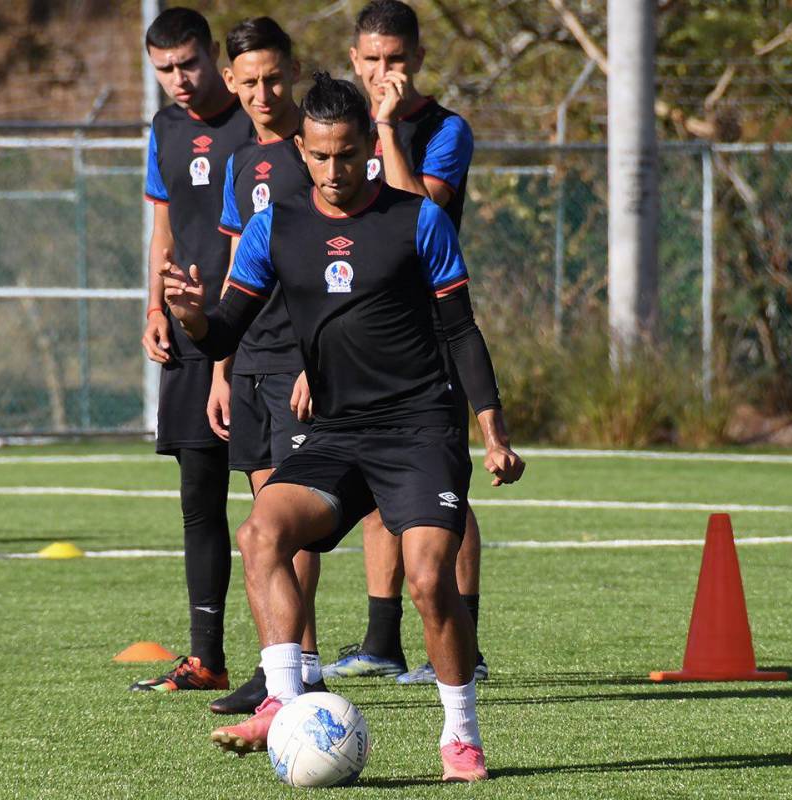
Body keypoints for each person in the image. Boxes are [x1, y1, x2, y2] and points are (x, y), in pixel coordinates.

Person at [164, 73, 524, 783]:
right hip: (336, 433)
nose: (336, 171)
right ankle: (285, 699)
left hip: (420, 428)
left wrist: (492, 429)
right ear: (302, 149)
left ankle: (461, 736)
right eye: (322, 156)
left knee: (427, 580)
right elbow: (225, 331)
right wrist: (193, 318)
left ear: (369, 145)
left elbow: (461, 331)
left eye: (350, 154)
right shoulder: (276, 226)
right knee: (261, 532)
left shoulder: (418, 219)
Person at [322, 0, 488, 685]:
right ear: (354, 60)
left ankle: (465, 647)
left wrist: (387, 128)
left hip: (429, 332)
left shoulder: (444, 129)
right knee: (374, 476)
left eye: (394, 60)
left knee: (441, 488)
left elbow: (419, 209)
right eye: (370, 61)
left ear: (416, 60)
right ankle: (381, 641)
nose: (382, 72)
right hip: (366, 334)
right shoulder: (341, 135)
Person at [205, 16, 328, 716]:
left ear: (295, 70)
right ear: (232, 81)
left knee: (290, 518)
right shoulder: (242, 162)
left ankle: (303, 664)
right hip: (249, 358)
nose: (262, 91)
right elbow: (233, 267)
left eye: (274, 78)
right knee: (261, 517)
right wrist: (221, 367)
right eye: (248, 81)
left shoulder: (316, 151)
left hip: (298, 362)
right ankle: (278, 663)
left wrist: (320, 358)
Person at [132, 7, 253, 693]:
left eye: (188, 64)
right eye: (164, 70)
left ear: (214, 56)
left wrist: (226, 363)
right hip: (185, 330)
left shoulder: (253, 119)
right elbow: (163, 228)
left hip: (255, 330)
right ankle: (207, 656)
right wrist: (154, 304)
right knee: (199, 499)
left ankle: (292, 664)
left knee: (276, 500)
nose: (178, 80)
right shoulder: (165, 129)